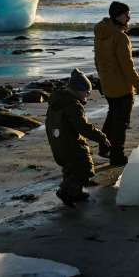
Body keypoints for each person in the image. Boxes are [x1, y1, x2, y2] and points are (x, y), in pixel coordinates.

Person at [93, 1, 139, 166]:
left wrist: (102, 79)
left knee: (112, 115)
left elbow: (97, 61)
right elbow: (127, 66)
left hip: (107, 84)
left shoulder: (101, 33)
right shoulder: (120, 37)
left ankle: (104, 146)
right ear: (117, 16)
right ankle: (117, 156)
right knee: (120, 122)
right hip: (122, 87)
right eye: (126, 15)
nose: (129, 18)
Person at [46, 68, 109, 208]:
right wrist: (101, 137)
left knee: (69, 168)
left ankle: (76, 193)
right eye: (87, 92)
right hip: (71, 144)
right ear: (78, 90)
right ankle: (66, 191)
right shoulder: (73, 106)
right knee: (85, 168)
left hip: (56, 143)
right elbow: (84, 128)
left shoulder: (56, 102)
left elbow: (49, 125)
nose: (87, 96)